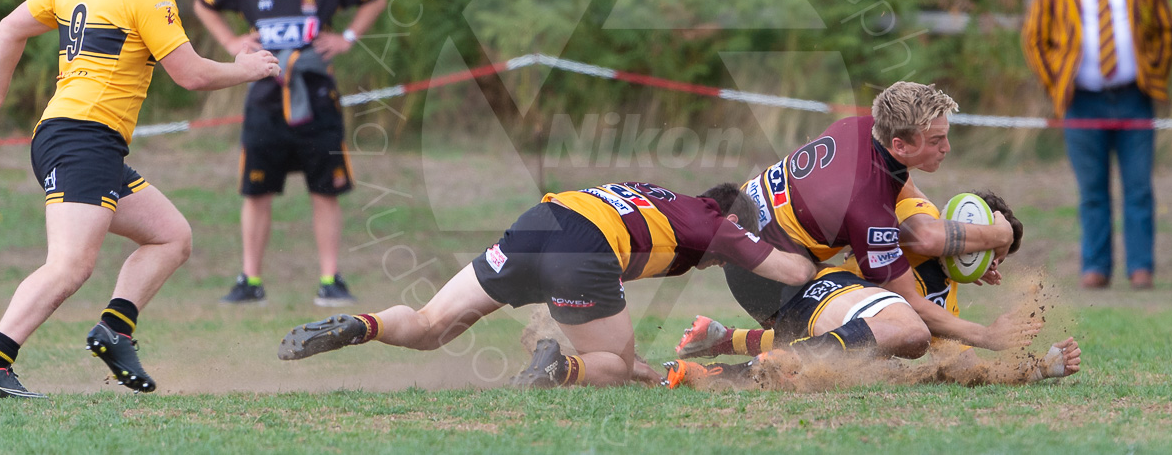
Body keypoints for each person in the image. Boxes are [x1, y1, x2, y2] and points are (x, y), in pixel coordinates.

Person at [0, 0, 280, 398]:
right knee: (70, 265)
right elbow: (190, 75)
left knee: (172, 236)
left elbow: (10, 27)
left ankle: (115, 330)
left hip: (74, 137)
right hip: (83, 138)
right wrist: (246, 67)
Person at [275, 182, 817, 387]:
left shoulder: (663, 197)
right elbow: (794, 273)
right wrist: (829, 248)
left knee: (429, 324)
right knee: (614, 365)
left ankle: (360, 324)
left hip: (541, 222)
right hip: (586, 249)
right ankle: (558, 367)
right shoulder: (721, 229)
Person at [715, 82, 1028, 366]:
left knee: (871, 346)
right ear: (901, 145)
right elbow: (915, 294)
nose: (947, 148)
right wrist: (986, 335)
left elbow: (918, 231)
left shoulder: (861, 129)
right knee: (906, 331)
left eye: (946, 136)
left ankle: (720, 338)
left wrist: (977, 248)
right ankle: (752, 370)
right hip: (764, 278)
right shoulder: (868, 205)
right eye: (936, 140)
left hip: (750, 235)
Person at [665, 191, 1082, 388]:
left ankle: (719, 351)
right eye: (991, 254)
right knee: (901, 333)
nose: (993, 269)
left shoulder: (945, 299)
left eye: (1000, 262)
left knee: (877, 365)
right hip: (800, 279)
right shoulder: (921, 214)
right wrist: (996, 233)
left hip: (809, 310)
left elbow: (961, 369)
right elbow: (924, 234)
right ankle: (747, 357)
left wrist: (1039, 368)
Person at [193, 0, 388, 306]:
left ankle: (330, 279)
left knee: (326, 190)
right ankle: (251, 281)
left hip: (318, 96)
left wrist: (348, 37)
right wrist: (231, 40)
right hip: (264, 96)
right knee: (257, 191)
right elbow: (204, 3)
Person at [1021, 0, 1172, 290]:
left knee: (1139, 187)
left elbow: (1166, 30)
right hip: (1082, 101)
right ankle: (1096, 267)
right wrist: (1057, 81)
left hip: (1133, 98)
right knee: (1092, 190)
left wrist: (1152, 73)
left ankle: (1141, 268)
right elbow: (1034, 39)